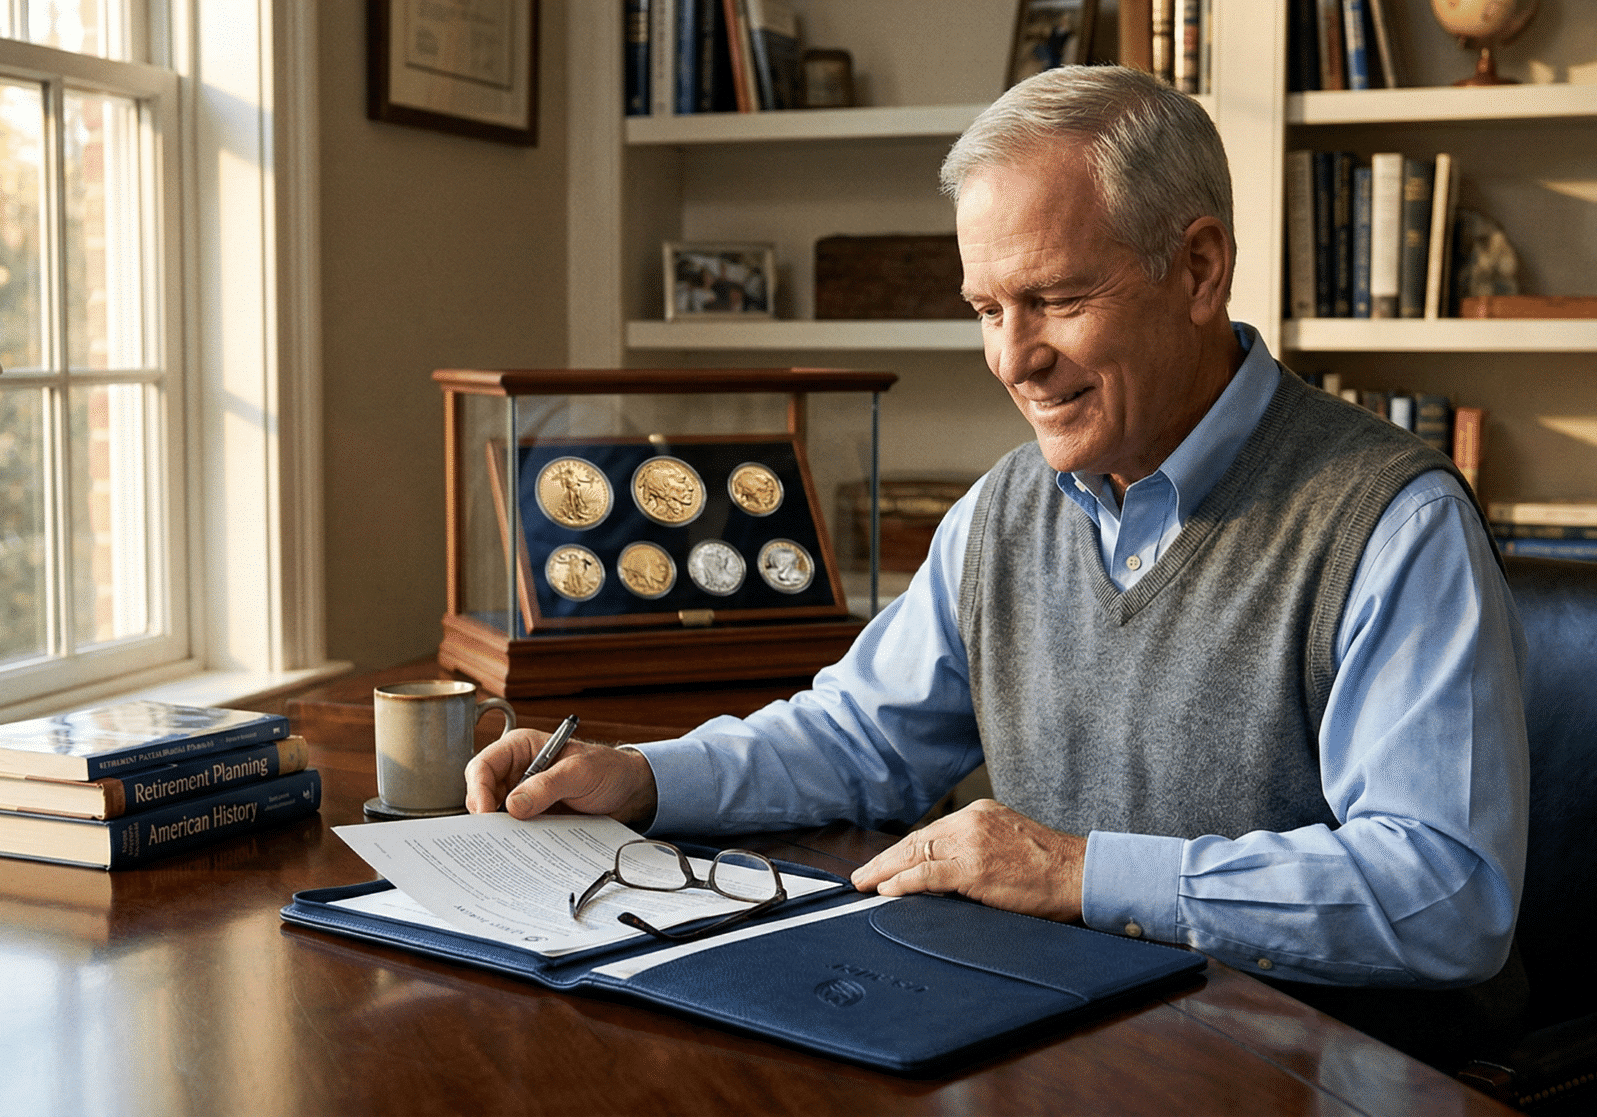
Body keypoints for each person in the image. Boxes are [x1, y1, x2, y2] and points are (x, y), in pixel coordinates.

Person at [466, 65, 1529, 1067]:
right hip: (1067, 1052)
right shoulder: (1005, 508)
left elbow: (1443, 896)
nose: (1012, 360)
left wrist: (1075, 871)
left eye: (1057, 300)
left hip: (1314, 1076)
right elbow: (856, 738)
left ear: (1199, 270)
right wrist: (644, 775)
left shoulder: (1396, 523)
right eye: (986, 309)